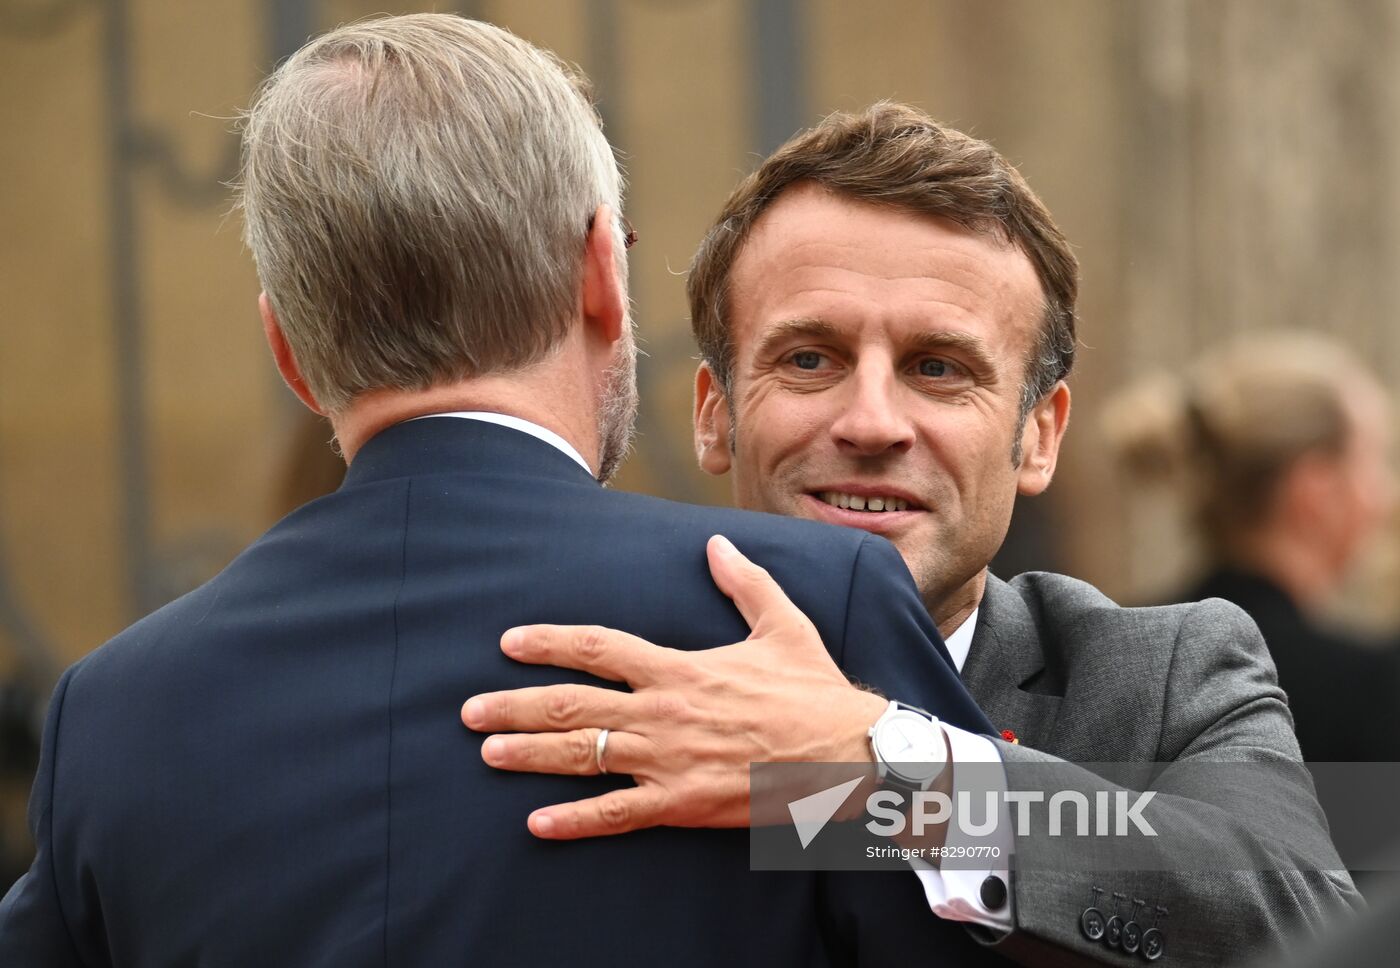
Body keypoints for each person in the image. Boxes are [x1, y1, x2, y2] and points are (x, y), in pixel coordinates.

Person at [0, 17, 997, 966]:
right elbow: (1037, 907)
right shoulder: (792, 614)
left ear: (289, 351)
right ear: (601, 269)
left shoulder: (118, 711)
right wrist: (880, 764)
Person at [462, 104, 1361, 965]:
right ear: (714, 416)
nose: (871, 421)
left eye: (939, 369)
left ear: (1038, 434)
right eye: (810, 359)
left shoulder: (1163, 678)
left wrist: (881, 768)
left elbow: (1303, 919)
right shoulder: (582, 682)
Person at [1105, 332, 1400, 764]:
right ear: (1314, 492)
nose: (1386, 497)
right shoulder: (1369, 689)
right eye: (1374, 463)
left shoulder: (1108, 651)